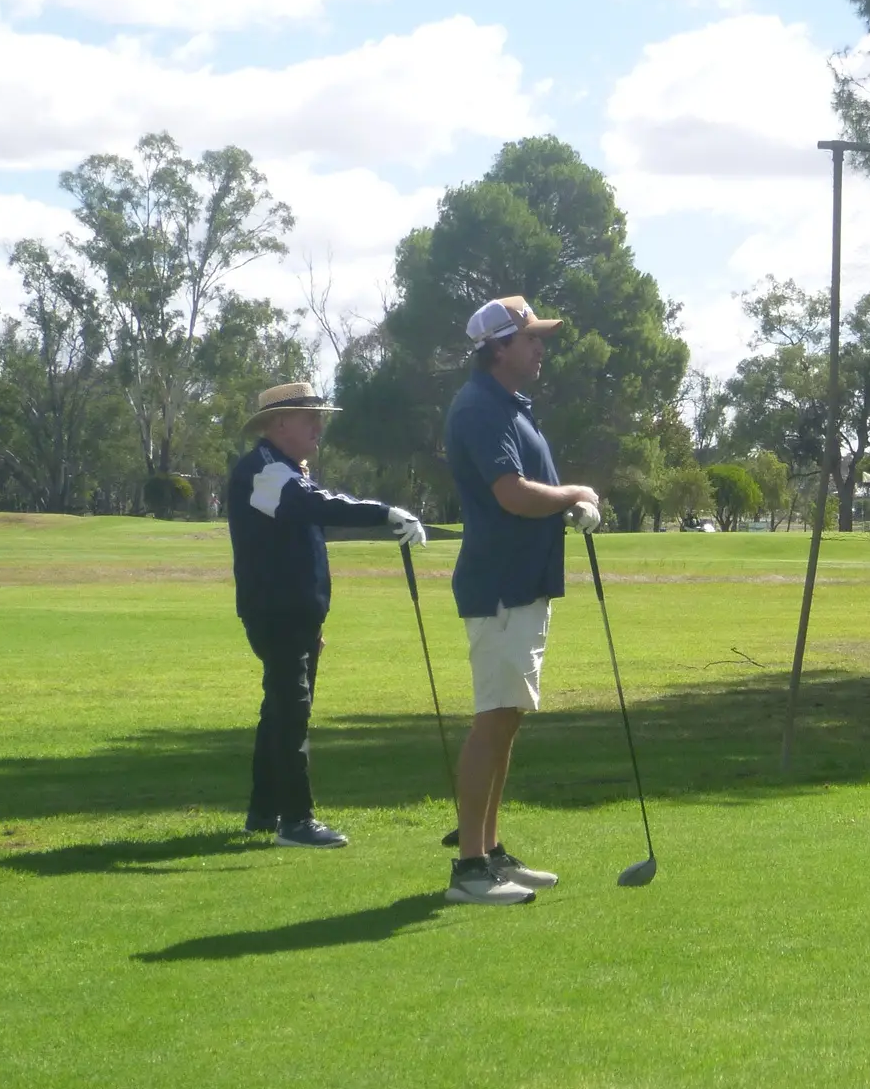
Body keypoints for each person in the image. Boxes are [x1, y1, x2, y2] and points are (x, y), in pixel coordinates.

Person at [442, 295, 602, 905]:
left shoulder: (508, 406)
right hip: (500, 584)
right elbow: (511, 494)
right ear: (498, 347)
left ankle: (489, 851)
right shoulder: (481, 407)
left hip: (521, 582)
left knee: (506, 718)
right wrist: (576, 494)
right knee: (494, 718)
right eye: (532, 338)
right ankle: (469, 868)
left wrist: (566, 505)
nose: (541, 349)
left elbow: (526, 493)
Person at [228, 382, 425, 848]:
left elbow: (310, 516)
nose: (319, 426)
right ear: (280, 423)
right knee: (291, 711)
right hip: (277, 612)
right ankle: (296, 820)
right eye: (309, 418)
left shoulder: (284, 469)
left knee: (280, 709)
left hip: (296, 613)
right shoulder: (263, 471)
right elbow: (314, 505)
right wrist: (383, 513)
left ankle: (265, 810)